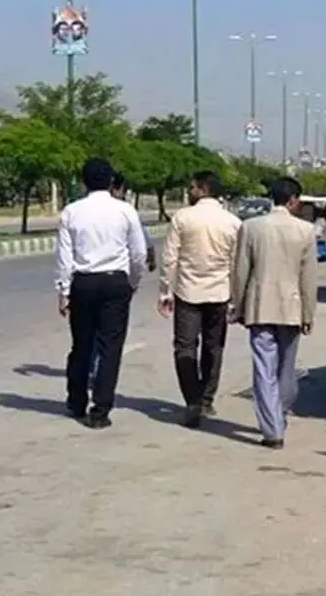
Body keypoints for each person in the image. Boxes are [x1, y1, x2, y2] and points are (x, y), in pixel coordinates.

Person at [56, 158, 147, 429]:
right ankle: (100, 411)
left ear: (84, 182)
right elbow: (139, 253)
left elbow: (65, 258)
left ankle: (76, 402)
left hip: (83, 283)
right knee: (110, 348)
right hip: (115, 282)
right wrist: (132, 282)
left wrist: (63, 291)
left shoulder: (71, 212)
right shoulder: (125, 211)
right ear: (110, 182)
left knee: (81, 345)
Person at [230, 176, 317, 449]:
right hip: (292, 308)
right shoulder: (305, 231)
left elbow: (240, 272)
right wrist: (308, 314)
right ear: (293, 200)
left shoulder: (251, 227)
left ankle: (272, 430)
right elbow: (308, 278)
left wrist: (238, 306)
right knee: (286, 370)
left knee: (264, 369)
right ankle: (279, 415)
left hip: (260, 307)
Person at [158, 170, 242, 428]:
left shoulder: (183, 218)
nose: (189, 192)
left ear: (203, 189)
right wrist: (236, 299)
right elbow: (236, 264)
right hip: (219, 293)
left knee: (184, 347)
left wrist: (165, 291)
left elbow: (170, 258)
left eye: (192, 187)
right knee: (213, 347)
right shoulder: (232, 222)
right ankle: (206, 399)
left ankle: (192, 399)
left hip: (188, 292)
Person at [109, 173, 156, 272]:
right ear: (122, 189)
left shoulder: (91, 210)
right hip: (122, 270)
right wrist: (152, 259)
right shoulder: (128, 211)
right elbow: (144, 241)